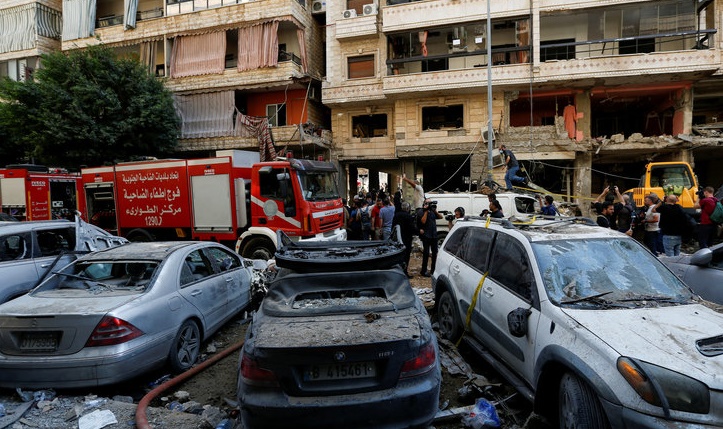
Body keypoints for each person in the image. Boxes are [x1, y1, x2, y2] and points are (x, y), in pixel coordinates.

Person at [419, 198, 442, 277]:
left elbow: (440, 217)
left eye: (430, 203)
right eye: (428, 203)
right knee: (426, 254)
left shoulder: (432, 211)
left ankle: (433, 270)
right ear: (424, 203)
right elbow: (423, 221)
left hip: (434, 235)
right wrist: (426, 211)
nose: (429, 204)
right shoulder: (421, 211)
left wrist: (434, 210)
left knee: (434, 253)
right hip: (426, 235)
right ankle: (423, 270)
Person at [393, 202, 416, 278]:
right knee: (406, 256)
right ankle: (404, 272)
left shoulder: (396, 215)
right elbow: (411, 228)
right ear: (408, 208)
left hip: (398, 238)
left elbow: (393, 226)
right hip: (406, 238)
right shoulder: (408, 216)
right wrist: (418, 232)